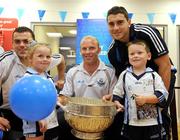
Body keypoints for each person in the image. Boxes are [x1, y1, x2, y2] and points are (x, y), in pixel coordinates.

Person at [105, 6, 176, 140]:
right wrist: (115, 96)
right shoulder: (112, 52)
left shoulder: (147, 32)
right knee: (127, 114)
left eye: (120, 22)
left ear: (129, 22)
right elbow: (124, 80)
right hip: (136, 84)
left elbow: (165, 65)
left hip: (160, 76)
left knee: (158, 114)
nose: (115, 28)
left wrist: (160, 101)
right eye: (111, 24)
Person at [0, 26, 65, 140]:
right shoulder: (4, 62)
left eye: (26, 41)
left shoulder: (43, 59)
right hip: (10, 113)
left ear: (34, 44)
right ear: (12, 44)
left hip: (41, 113)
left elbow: (61, 59)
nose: (21, 45)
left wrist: (61, 78)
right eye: (17, 41)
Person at [58, 35, 117, 140]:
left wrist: (112, 98)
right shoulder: (73, 72)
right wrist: (58, 99)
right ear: (80, 51)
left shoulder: (110, 72)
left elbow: (114, 98)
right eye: (84, 49)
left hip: (101, 123)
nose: (88, 52)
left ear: (99, 50)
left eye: (92, 48)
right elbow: (65, 96)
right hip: (78, 122)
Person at [109, 40, 168, 139]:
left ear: (148, 56)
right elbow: (117, 94)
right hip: (131, 124)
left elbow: (163, 95)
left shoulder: (154, 75)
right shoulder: (124, 75)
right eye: (132, 54)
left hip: (152, 124)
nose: (135, 56)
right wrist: (117, 102)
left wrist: (146, 100)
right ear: (128, 57)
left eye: (139, 53)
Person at [22, 42, 59, 140]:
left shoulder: (48, 77)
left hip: (51, 122)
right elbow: (25, 103)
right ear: (30, 58)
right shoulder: (27, 78)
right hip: (35, 124)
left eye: (48, 56)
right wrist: (38, 118)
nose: (45, 59)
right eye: (40, 56)